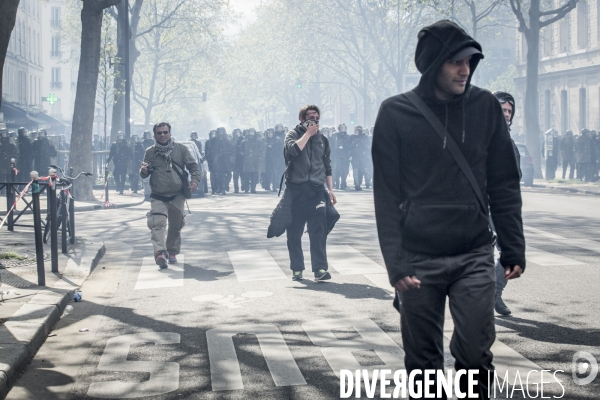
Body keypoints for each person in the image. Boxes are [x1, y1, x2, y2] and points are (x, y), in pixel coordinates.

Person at [372, 20, 525, 398]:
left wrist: (513, 246)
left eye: (470, 61)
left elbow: (504, 181)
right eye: (455, 61)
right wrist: (395, 262)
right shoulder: (395, 113)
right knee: (423, 363)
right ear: (433, 63)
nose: (465, 70)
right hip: (417, 257)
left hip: (473, 251)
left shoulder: (485, 106)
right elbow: (386, 195)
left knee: (475, 353)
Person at [284, 105, 336, 282]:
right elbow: (292, 151)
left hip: (316, 191)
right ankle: (297, 269)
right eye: (310, 116)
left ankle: (320, 269)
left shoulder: (323, 139)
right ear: (302, 119)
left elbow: (327, 165)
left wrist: (330, 190)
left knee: (318, 231)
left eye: (316, 116)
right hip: (296, 191)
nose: (314, 119)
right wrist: (308, 134)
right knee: (294, 233)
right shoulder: (293, 134)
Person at [140, 122, 202, 268]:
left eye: (165, 132)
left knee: (175, 225)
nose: (162, 135)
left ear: (170, 133)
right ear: (155, 135)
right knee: (157, 224)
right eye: (159, 133)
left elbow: (194, 167)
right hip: (158, 195)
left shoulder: (181, 149)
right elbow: (144, 171)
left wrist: (194, 181)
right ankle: (160, 253)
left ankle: (172, 252)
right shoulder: (150, 152)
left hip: (177, 195)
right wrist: (143, 171)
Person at [332, 124, 350, 189]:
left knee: (344, 170)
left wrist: (345, 148)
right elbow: (332, 145)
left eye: (344, 128)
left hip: (345, 155)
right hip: (337, 155)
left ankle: (343, 183)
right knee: (337, 169)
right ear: (339, 129)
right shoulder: (335, 136)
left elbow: (349, 146)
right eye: (341, 128)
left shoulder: (348, 137)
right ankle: (337, 183)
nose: (343, 129)